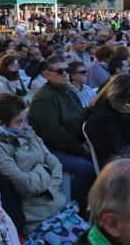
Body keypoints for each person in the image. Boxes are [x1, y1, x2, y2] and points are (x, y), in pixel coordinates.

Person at [0, 94, 66, 232]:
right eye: (19, 121)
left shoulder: (27, 133)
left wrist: (50, 190)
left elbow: (56, 164)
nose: (25, 126)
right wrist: (45, 169)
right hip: (32, 217)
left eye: (25, 120)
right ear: (1, 124)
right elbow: (26, 185)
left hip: (54, 201)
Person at [29, 55, 95, 211]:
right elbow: (52, 134)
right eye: (59, 71)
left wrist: (88, 139)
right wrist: (81, 149)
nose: (65, 74)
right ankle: (77, 208)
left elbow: (81, 118)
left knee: (106, 157)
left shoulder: (69, 92)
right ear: (47, 74)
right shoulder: (43, 99)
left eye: (67, 70)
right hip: (51, 150)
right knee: (87, 168)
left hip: (74, 143)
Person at [84, 73, 130, 167]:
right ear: (117, 96)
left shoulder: (129, 113)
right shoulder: (100, 119)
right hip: (125, 168)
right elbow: (116, 152)